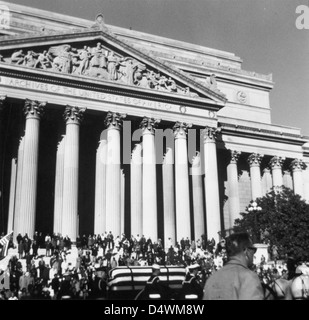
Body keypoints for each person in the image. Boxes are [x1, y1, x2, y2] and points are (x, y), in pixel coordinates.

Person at [203, 232, 264, 300]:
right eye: (253, 250)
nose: (254, 254)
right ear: (245, 250)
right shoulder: (248, 278)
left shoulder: (212, 279)